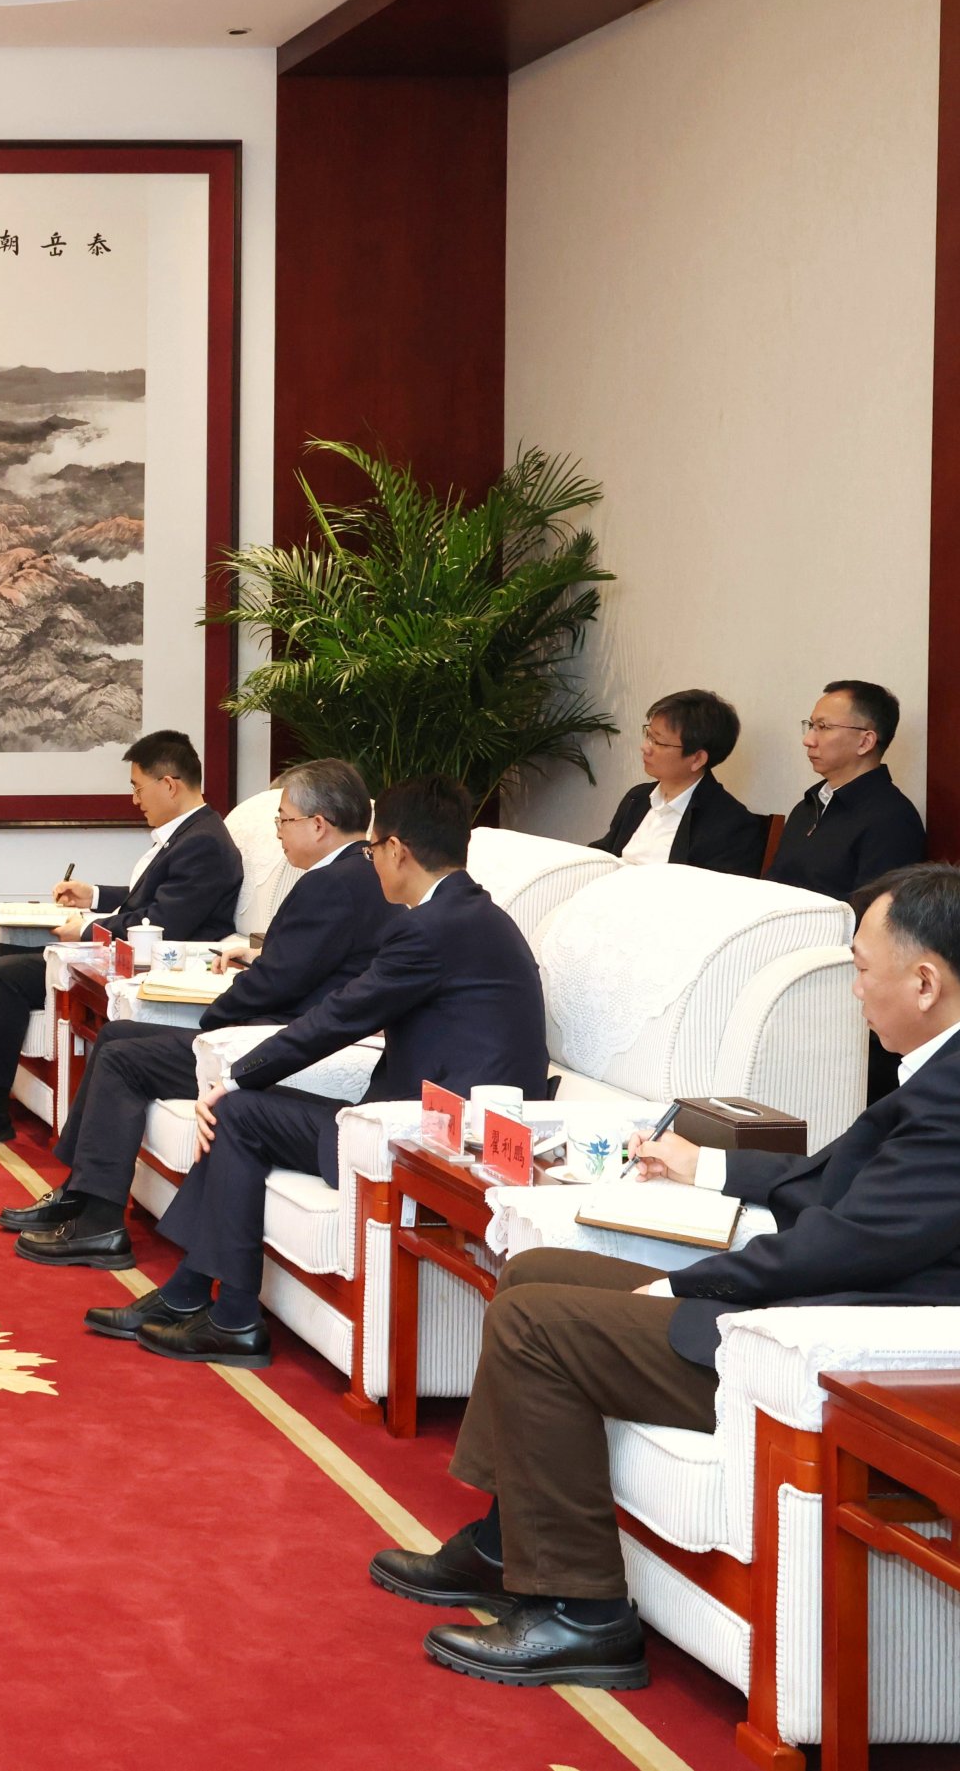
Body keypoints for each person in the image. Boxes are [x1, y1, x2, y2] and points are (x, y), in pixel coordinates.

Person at [372, 863, 960, 1689]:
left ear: (925, 981)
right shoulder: (937, 1071)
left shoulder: (952, 1098)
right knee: (533, 1269)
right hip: (795, 1304)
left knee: (535, 1324)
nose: (855, 989)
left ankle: (584, 1612)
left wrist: (690, 1283)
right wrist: (706, 1166)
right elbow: (830, 1181)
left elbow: (845, 1244)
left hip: (809, 1340)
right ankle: (506, 1542)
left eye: (863, 969)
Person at [96, 776, 549, 1368]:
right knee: (240, 1115)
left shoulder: (430, 929)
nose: (369, 860)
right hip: (425, 1120)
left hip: (429, 1142)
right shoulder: (475, 916)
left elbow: (337, 1019)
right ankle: (199, 1301)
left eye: (373, 848)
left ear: (396, 850)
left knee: (238, 1111)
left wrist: (234, 1077)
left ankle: (224, 1314)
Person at [6, 759, 396, 1270]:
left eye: (283, 820)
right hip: (282, 1025)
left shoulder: (332, 883)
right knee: (117, 1034)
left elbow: (276, 984)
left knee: (124, 1057)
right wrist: (256, 960)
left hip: (273, 1044)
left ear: (318, 824)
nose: (278, 832)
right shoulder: (358, 873)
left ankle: (99, 1224)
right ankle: (80, 1192)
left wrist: (212, 1014)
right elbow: (309, 964)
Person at [0, 731, 242, 1152]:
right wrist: (93, 895)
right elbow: (148, 897)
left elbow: (163, 921)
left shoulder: (204, 842)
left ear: (169, 784)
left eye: (138, 788)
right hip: (122, 948)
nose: (134, 800)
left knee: (5, 973)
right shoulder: (187, 834)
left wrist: (85, 929)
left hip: (152, 962)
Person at [766, 679, 928, 900]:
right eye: (811, 726)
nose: (808, 740)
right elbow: (773, 884)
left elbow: (874, 915)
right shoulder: (809, 805)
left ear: (865, 742)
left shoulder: (893, 819)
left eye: (823, 727)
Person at [587, 689, 765, 874]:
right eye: (648, 735)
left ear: (697, 759)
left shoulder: (731, 825)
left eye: (659, 742)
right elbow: (606, 853)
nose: (645, 747)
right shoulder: (638, 797)